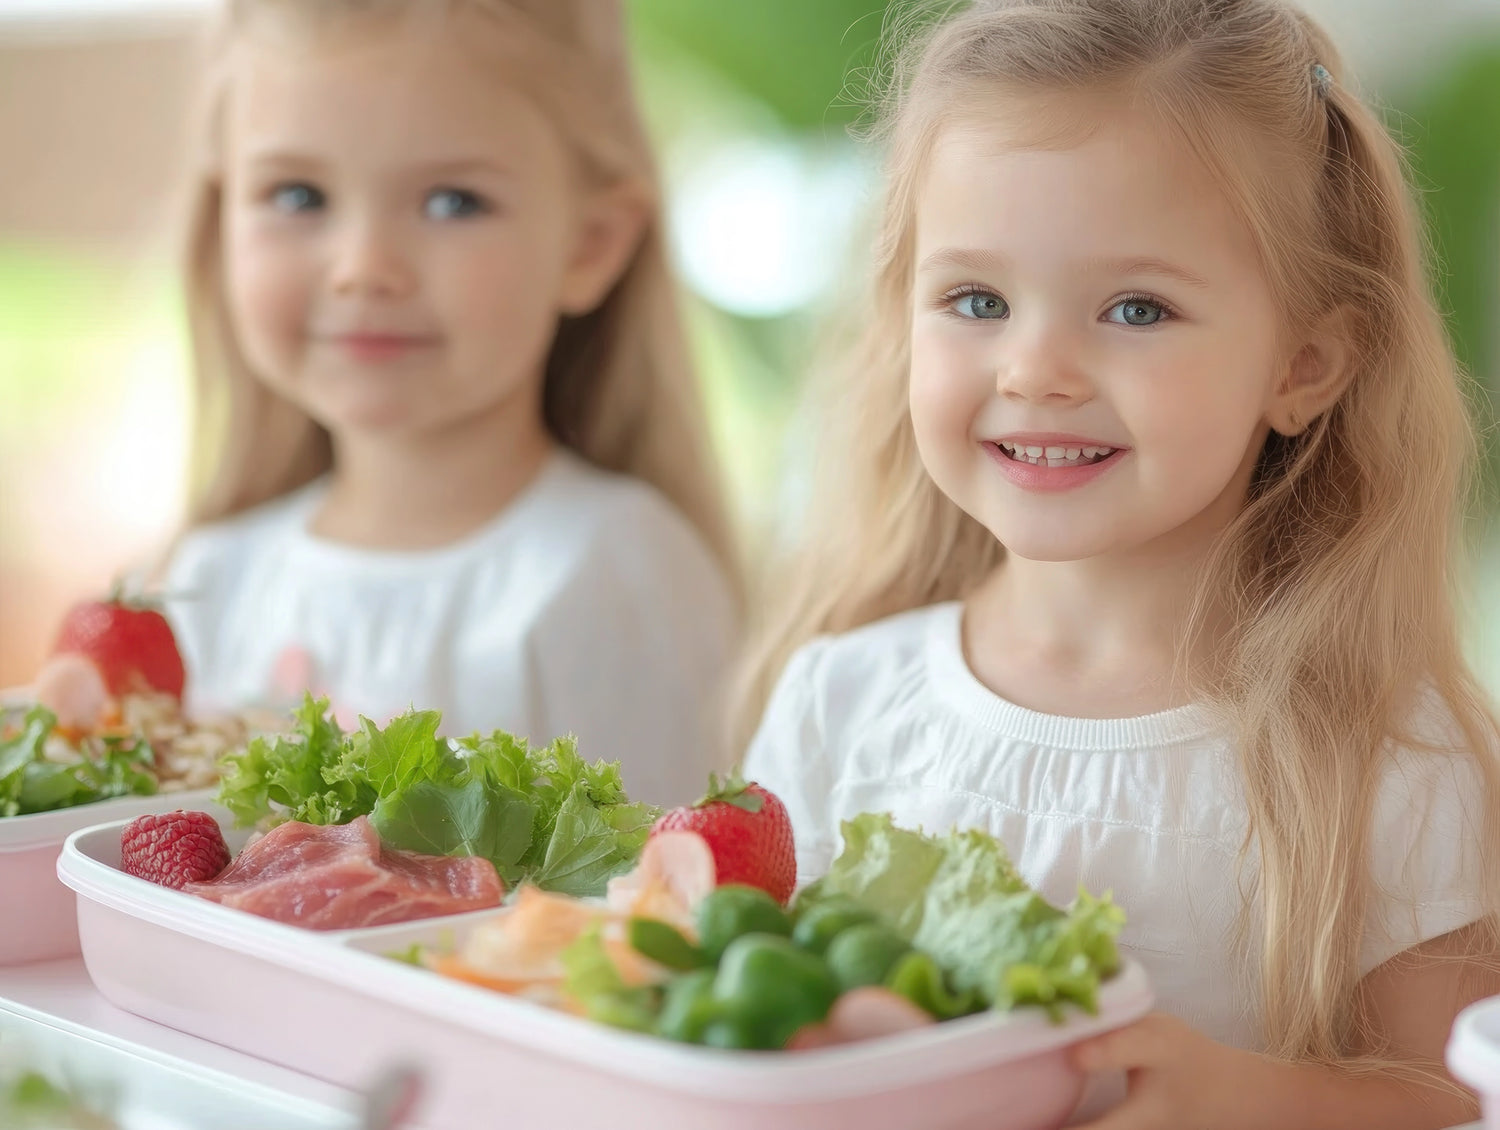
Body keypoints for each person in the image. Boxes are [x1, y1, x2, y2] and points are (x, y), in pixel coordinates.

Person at [740, 0, 1500, 1122]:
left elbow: (1448, 1096)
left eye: (1136, 308)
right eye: (977, 299)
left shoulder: (1385, 758)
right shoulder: (841, 700)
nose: (1035, 367)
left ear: (1306, 363)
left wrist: (1235, 1097)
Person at [160, 0, 738, 806]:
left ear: (591, 242)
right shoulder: (207, 582)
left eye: (452, 202)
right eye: (297, 196)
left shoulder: (615, 574)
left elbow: (658, 901)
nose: (363, 268)